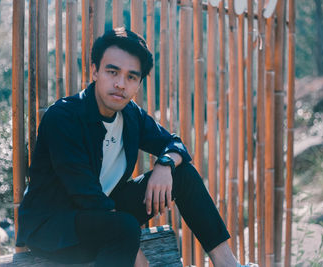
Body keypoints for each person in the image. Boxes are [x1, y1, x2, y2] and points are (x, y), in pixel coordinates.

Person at [16, 27, 257, 267]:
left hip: (106, 215)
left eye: (131, 77)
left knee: (182, 173)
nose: (121, 84)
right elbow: (86, 196)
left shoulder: (131, 115)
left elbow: (174, 143)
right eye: (113, 72)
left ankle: (228, 264)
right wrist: (138, 257)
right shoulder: (64, 117)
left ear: (138, 84)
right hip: (56, 226)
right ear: (94, 71)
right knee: (124, 228)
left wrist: (165, 164)